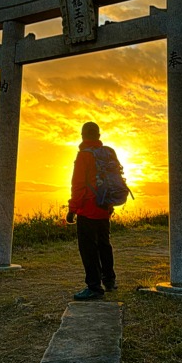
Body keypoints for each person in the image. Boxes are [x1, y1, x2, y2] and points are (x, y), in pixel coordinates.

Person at [67, 121, 118, 300]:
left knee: (88, 249)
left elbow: (78, 185)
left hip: (87, 209)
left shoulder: (84, 156)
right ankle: (109, 280)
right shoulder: (108, 153)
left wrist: (72, 209)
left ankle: (94, 287)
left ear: (83, 135)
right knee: (104, 244)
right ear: (98, 135)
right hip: (105, 207)